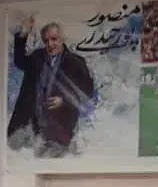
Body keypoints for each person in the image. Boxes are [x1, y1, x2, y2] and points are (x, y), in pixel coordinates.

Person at [7, 17, 94, 157]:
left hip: (60, 128)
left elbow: (87, 92)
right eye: (46, 41)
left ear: (62, 39)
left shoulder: (76, 62)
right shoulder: (37, 57)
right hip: (32, 125)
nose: (50, 44)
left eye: (54, 39)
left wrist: (64, 100)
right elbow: (19, 61)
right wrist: (23, 35)